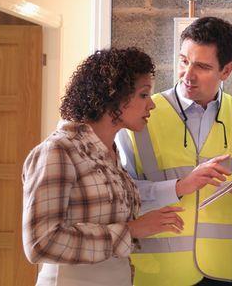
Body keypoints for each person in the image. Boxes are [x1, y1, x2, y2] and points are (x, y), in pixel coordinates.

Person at [116, 16, 232, 286]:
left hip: (223, 272)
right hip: (157, 273)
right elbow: (120, 196)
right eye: (184, 61)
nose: (188, 74)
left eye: (202, 66)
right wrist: (179, 186)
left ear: (226, 70)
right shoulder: (141, 113)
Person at [22, 47, 185, 286]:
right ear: (114, 96)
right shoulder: (59, 150)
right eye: (143, 94)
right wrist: (130, 231)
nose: (152, 105)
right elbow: (41, 243)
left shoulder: (111, 154)